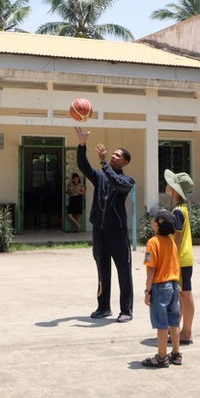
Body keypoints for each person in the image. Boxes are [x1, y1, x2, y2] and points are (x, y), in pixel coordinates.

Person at [75, 126, 135, 323]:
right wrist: (82, 145)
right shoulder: (101, 176)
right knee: (102, 269)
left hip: (117, 232)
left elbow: (116, 182)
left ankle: (126, 310)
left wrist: (103, 163)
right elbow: (84, 167)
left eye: (118, 155)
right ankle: (103, 307)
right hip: (99, 231)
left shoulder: (127, 181)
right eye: (113, 154)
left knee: (123, 271)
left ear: (125, 161)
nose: (113, 156)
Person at [142, 206, 182, 368]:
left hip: (160, 287)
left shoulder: (153, 242)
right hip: (174, 285)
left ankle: (161, 356)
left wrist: (147, 290)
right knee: (174, 321)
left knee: (161, 323)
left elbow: (151, 268)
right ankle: (176, 353)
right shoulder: (171, 242)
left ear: (156, 224)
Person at [164, 169, 196, 345]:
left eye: (171, 184)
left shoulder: (177, 211)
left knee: (185, 294)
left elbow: (177, 237)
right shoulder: (181, 208)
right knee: (183, 294)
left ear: (175, 190)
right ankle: (182, 331)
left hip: (181, 259)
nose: (167, 186)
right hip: (185, 258)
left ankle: (187, 332)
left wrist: (170, 258)